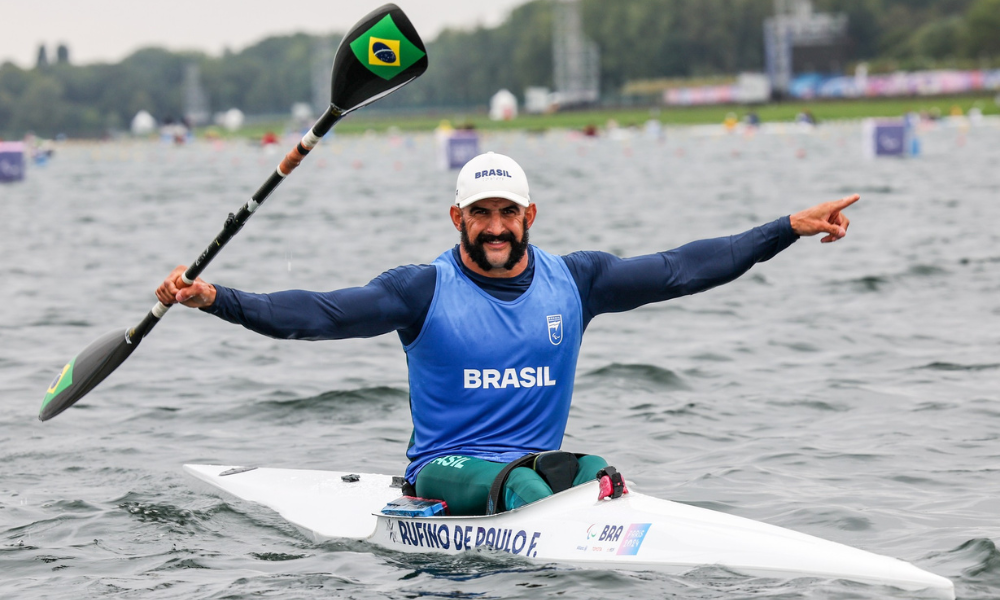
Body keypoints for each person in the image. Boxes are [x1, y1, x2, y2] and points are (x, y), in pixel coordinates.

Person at [156, 151, 858, 515]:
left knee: (600, 477)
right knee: (524, 489)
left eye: (508, 213)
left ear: (530, 214)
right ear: (456, 219)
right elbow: (318, 314)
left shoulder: (576, 281)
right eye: (481, 214)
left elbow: (682, 268)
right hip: (445, 472)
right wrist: (215, 296)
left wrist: (785, 230)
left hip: (534, 472)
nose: (496, 227)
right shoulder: (421, 289)